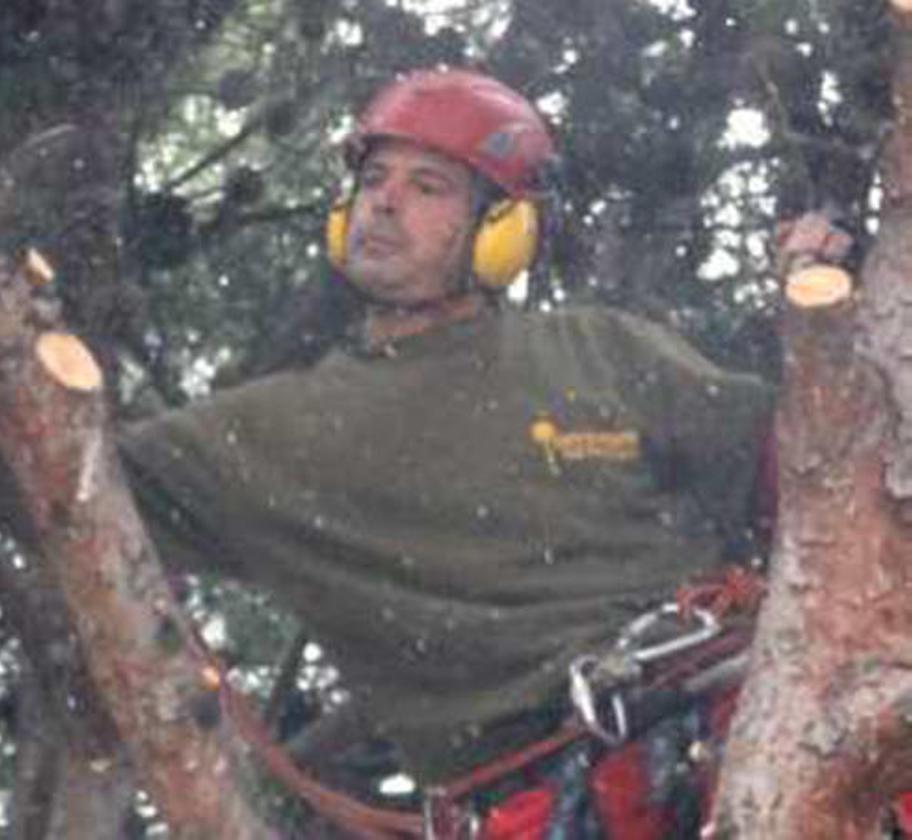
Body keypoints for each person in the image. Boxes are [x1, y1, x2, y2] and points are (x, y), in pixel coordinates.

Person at [117, 67, 774, 806]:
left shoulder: (601, 353)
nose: (384, 203)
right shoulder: (281, 433)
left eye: (428, 186)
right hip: (538, 802)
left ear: (502, 230)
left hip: (739, 720)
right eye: (373, 180)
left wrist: (834, 332)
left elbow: (810, 468)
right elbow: (67, 477)